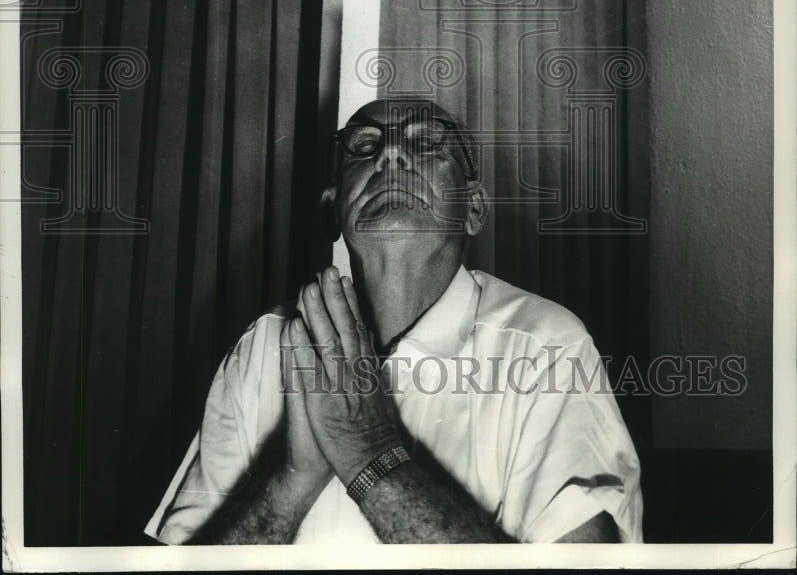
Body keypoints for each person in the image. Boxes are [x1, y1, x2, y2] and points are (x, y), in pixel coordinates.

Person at [145, 97, 643, 544]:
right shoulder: (265, 346)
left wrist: (369, 453)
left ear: (473, 208)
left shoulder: (544, 345)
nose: (390, 157)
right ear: (332, 212)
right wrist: (292, 480)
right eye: (363, 148)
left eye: (427, 144)